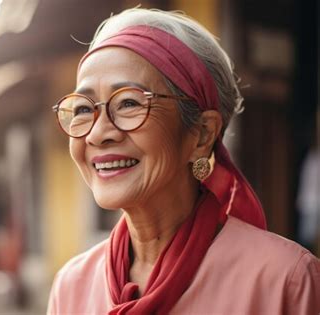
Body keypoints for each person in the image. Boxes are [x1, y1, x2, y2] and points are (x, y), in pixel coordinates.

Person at [47, 8, 320, 315]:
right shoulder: (72, 287)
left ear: (202, 135)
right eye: (84, 109)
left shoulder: (283, 281)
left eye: (128, 103)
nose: (98, 134)